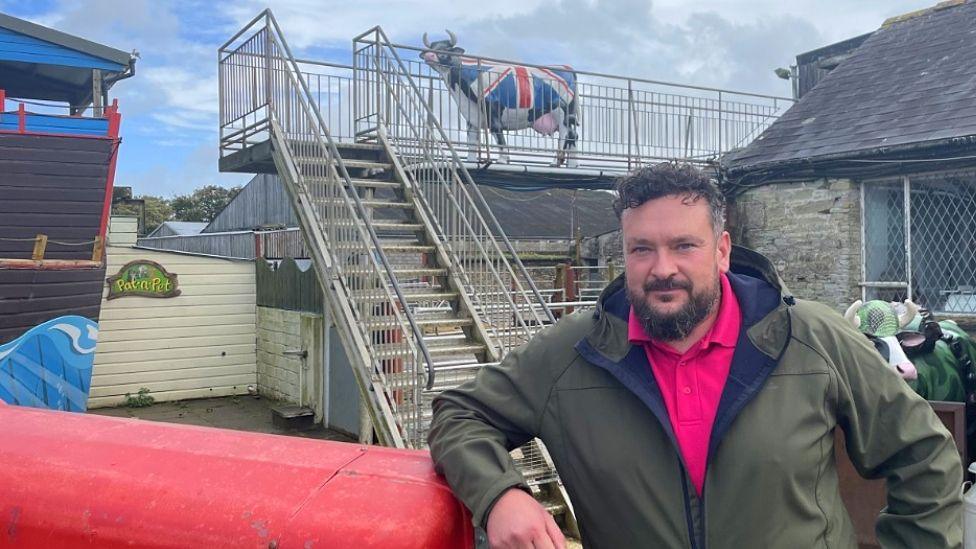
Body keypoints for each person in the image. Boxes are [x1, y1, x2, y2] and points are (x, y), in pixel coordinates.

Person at [427, 163, 963, 549]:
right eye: (642, 248)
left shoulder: (812, 338)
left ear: (723, 250)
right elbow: (458, 413)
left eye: (684, 245)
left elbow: (924, 455)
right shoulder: (572, 352)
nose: (662, 268)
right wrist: (500, 495)